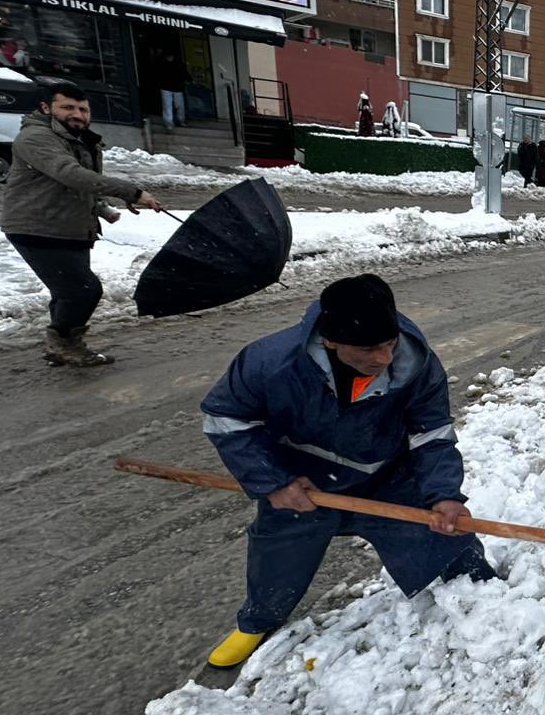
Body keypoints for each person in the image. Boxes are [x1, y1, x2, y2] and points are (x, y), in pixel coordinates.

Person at [200, 273, 496, 669]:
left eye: (390, 343)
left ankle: (492, 599)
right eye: (371, 348)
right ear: (331, 340)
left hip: (385, 476)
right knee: (279, 553)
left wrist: (444, 494)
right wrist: (274, 482)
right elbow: (225, 418)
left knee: (446, 538)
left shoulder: (416, 363)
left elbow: (432, 433)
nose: (386, 359)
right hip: (302, 482)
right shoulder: (269, 363)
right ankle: (258, 621)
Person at [2, 80, 164, 367]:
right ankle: (64, 343)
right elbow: (70, 174)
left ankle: (59, 347)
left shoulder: (77, 139)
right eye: (67, 107)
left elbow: (70, 185)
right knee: (84, 290)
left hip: (70, 227)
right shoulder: (36, 138)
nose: (77, 114)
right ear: (46, 107)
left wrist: (102, 209)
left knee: (67, 292)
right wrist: (134, 192)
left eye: (83, 109)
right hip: (39, 227)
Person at [157, 47, 188, 129]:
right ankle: (175, 122)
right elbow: (185, 73)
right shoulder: (178, 63)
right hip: (174, 87)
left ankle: (171, 123)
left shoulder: (162, 63)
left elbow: (184, 73)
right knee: (177, 105)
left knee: (170, 106)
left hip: (167, 87)